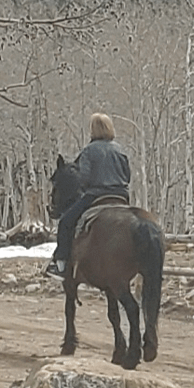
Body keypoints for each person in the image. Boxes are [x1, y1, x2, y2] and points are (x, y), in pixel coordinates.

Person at [42, 113, 132, 280]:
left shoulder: (89, 151)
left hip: (95, 196)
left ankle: (60, 264)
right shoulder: (120, 150)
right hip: (121, 196)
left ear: (93, 130)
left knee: (66, 222)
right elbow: (127, 177)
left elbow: (84, 179)